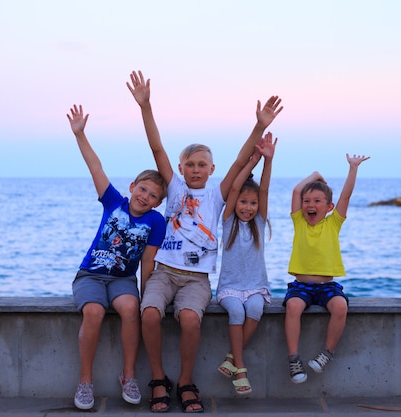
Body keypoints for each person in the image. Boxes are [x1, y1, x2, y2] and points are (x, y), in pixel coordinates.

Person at [127, 70, 282, 412]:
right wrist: (146, 106)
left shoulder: (217, 196)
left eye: (202, 165)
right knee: (150, 313)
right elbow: (156, 147)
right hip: (165, 271)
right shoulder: (176, 188)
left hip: (197, 278)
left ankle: (185, 381)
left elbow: (243, 160)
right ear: (181, 169)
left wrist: (258, 127)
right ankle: (158, 379)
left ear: (212, 169)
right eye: (190, 165)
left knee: (190, 320)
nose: (196, 169)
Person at [67, 104, 168, 410]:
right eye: (142, 189)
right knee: (94, 312)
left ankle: (129, 375)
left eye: (153, 196)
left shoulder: (156, 222)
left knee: (129, 308)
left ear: (158, 203)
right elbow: (95, 167)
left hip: (123, 279)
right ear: (132, 186)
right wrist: (80, 134)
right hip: (91, 275)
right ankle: (85, 381)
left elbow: (148, 262)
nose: (145, 197)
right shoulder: (113, 202)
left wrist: (147, 292)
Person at [283, 153, 370, 384]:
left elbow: (346, 195)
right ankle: (293, 359)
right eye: (307, 201)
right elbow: (295, 191)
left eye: (317, 201)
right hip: (301, 286)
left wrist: (353, 168)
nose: (310, 205)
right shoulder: (299, 221)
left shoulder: (333, 222)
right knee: (292, 306)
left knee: (340, 306)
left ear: (329, 206)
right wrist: (316, 175)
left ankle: (326, 353)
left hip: (327, 286)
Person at [216, 133, 276, 395]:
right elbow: (233, 188)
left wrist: (268, 161)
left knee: (254, 310)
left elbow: (263, 188)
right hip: (229, 287)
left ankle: (231, 358)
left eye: (252, 204)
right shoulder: (228, 220)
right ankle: (240, 367)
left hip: (255, 286)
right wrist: (251, 162)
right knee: (236, 313)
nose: (248, 207)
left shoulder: (259, 224)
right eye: (243, 202)